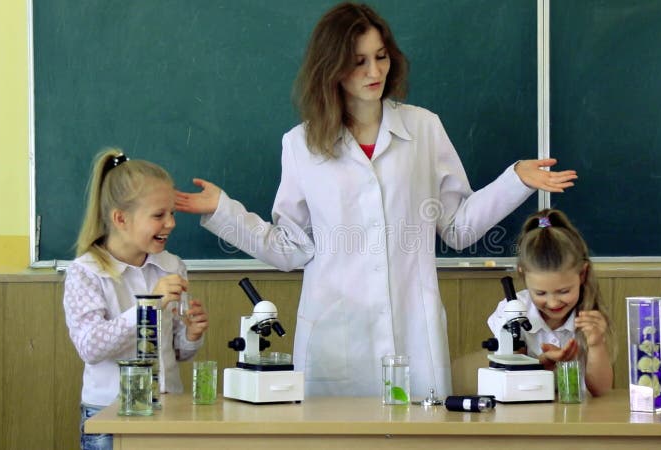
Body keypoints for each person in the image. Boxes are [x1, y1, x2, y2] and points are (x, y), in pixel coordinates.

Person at [175, 2, 576, 398]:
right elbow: (290, 248)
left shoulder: (423, 128)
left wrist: (515, 181)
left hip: (412, 334)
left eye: (381, 57)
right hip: (335, 336)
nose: (374, 71)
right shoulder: (301, 144)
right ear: (331, 68)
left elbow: (457, 229)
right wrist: (222, 212)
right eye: (359, 61)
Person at [63, 149, 209, 450]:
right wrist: (148, 306)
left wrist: (191, 335)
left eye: (172, 214)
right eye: (158, 215)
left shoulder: (172, 266)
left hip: (169, 410)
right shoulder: (86, 272)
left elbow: (177, 351)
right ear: (120, 218)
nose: (170, 223)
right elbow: (90, 346)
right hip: (110, 414)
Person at [487, 209, 614, 396]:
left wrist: (596, 344)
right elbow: (510, 382)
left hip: (577, 416)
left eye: (564, 291)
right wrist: (541, 363)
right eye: (540, 293)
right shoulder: (511, 310)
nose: (553, 303)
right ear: (522, 274)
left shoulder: (590, 317)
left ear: (582, 274)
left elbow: (600, 390)